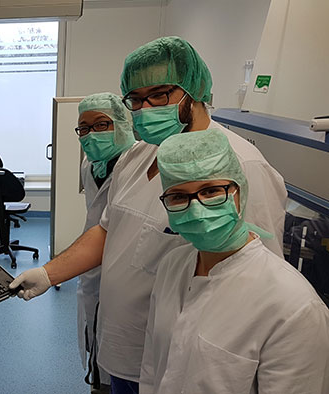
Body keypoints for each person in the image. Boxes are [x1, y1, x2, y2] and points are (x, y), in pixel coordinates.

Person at [10, 36, 287, 394]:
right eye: (136, 99)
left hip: (185, 361)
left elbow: (261, 274)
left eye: (159, 94)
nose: (145, 108)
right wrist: (49, 273)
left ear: (193, 91)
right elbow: (108, 230)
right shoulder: (137, 155)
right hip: (126, 347)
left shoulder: (241, 166)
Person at [140, 128, 329, 394]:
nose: (196, 209)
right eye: (179, 196)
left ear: (240, 191)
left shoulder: (293, 306)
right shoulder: (173, 265)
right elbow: (152, 369)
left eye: (211, 191)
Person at [74, 92, 135, 393]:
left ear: (123, 123)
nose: (90, 135)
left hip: (127, 279)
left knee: (122, 363)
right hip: (95, 269)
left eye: (100, 125)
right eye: (83, 129)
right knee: (96, 340)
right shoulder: (90, 165)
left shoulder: (139, 168)